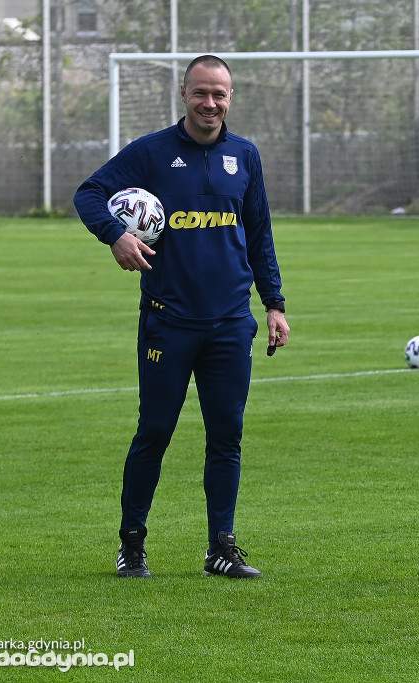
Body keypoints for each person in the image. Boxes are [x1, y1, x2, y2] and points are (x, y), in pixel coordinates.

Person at [73, 54, 289, 579]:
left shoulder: (245, 156)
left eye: (219, 95)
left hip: (231, 322)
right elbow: (89, 193)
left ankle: (222, 547)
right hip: (169, 321)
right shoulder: (151, 153)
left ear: (230, 99)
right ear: (184, 94)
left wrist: (275, 304)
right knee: (156, 430)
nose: (210, 103)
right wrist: (116, 235)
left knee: (226, 435)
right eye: (201, 93)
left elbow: (258, 234)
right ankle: (132, 545)